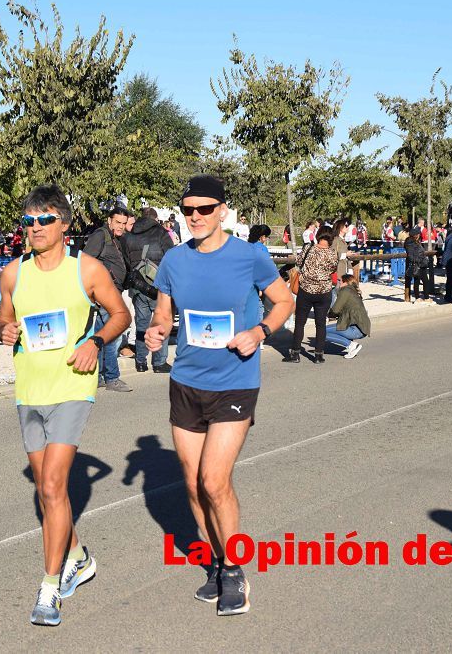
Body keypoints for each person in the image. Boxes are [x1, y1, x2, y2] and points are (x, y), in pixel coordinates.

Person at [144, 174, 293, 617]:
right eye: (188, 210)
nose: (195, 217)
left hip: (235, 381)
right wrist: (157, 331)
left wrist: (260, 331)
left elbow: (283, 301)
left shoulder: (251, 256)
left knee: (213, 479)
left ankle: (233, 569)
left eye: (205, 209)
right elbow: (163, 313)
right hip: (187, 381)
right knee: (191, 484)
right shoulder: (173, 260)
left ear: (223, 211)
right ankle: (213, 563)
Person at [0, 185, 131, 627]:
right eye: (29, 221)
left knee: (53, 487)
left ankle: (50, 588)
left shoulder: (85, 269)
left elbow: (120, 315)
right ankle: (78, 556)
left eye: (44, 220)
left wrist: (95, 342)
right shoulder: (13, 272)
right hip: (29, 390)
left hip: (73, 385)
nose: (34, 228)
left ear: (65, 226)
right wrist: (4, 330)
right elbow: (3, 317)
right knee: (47, 489)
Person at [82, 206, 133, 392]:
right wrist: (91, 291)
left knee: (100, 336)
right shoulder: (100, 236)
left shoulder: (116, 239)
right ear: (109, 220)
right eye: (117, 222)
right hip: (104, 294)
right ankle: (112, 377)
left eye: (123, 223)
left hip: (112, 293)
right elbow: (86, 262)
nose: (120, 226)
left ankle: (98, 376)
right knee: (113, 333)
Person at [125, 207, 176, 373]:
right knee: (161, 322)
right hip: (158, 286)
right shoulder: (161, 233)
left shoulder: (130, 234)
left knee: (141, 324)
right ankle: (159, 362)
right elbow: (171, 257)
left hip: (138, 287)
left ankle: (140, 361)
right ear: (155, 218)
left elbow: (126, 259)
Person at [286, 230, 339, 363]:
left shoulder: (308, 248)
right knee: (321, 324)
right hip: (324, 291)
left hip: (306, 290)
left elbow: (298, 262)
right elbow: (333, 269)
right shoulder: (333, 253)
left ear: (318, 236)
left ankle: (295, 353)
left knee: (300, 322)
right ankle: (318, 355)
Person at [327, 274, 371, 359]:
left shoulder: (345, 291)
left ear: (346, 282)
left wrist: (328, 315)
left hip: (357, 330)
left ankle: (351, 345)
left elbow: (335, 310)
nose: (338, 282)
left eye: (340, 281)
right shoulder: (353, 291)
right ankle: (351, 345)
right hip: (362, 328)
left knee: (322, 332)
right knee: (328, 329)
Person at [404, 227, 433, 304]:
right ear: (415, 235)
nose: (419, 235)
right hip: (418, 264)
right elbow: (411, 255)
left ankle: (425, 297)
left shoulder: (416, 241)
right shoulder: (410, 243)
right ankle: (418, 298)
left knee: (425, 281)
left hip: (421, 263)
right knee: (418, 281)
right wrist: (419, 260)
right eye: (418, 234)